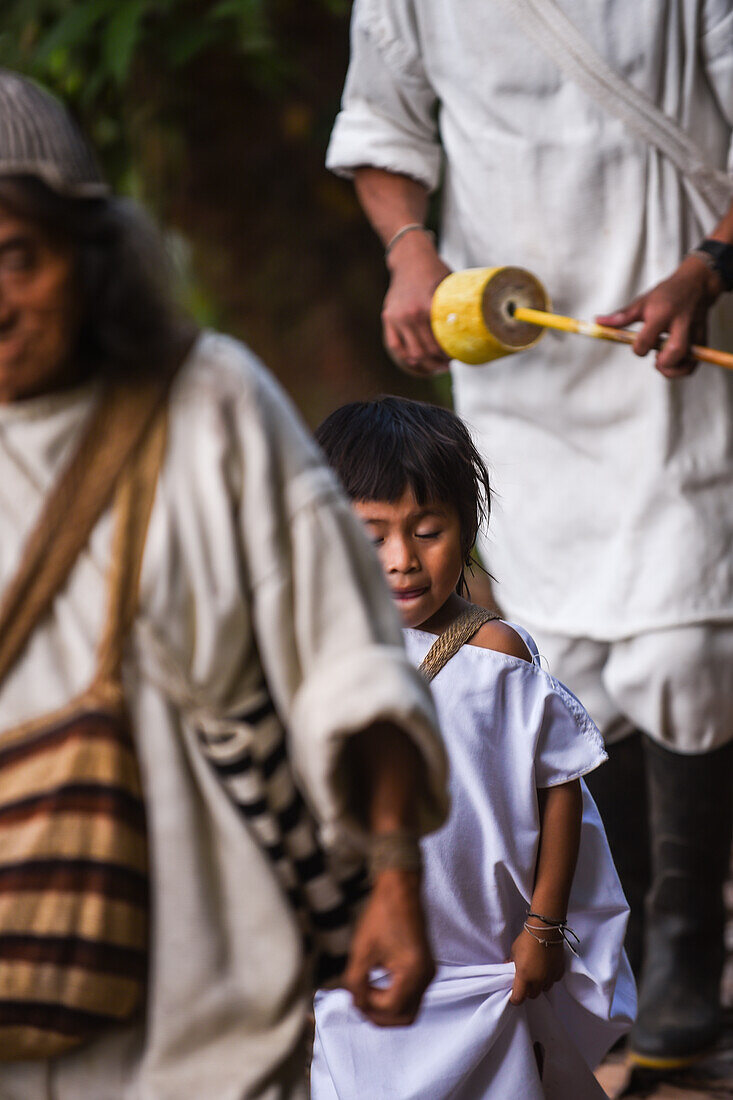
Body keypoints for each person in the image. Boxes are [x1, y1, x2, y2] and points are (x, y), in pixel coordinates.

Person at [0, 70, 449, 1099]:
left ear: (92, 253)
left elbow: (344, 653)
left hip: (212, 1001)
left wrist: (394, 870)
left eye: (14, 256)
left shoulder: (209, 401)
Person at [326, 0, 733, 1067]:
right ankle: (634, 942)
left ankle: (689, 955)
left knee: (689, 643)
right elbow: (381, 131)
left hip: (670, 358)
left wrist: (709, 268)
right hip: (516, 367)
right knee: (568, 665)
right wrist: (409, 249)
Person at [311, 396, 634, 1099]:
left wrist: (543, 928)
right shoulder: (311, 654)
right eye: (371, 538)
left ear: (468, 528)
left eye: (427, 531)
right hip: (355, 964)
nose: (401, 562)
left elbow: (558, 790)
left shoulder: (496, 653)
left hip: (485, 966)